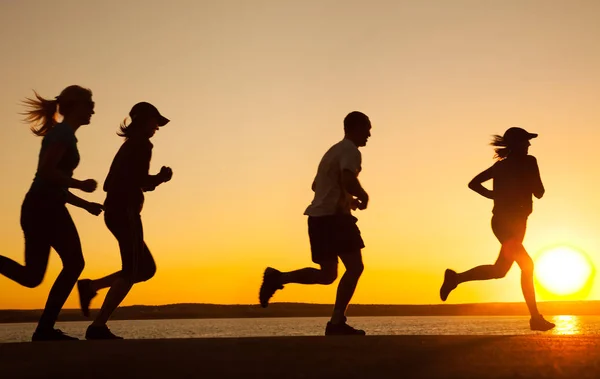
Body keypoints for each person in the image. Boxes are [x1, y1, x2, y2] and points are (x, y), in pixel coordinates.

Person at [0, 85, 103, 341]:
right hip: (44, 209)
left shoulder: (65, 134)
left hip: (43, 206)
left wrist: (85, 204)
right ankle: (44, 329)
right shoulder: (63, 135)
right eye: (88, 104)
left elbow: (54, 183)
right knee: (74, 263)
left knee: (33, 277)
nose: (93, 109)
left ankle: (44, 329)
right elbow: (46, 173)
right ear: (75, 107)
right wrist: (80, 184)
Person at [259, 111, 371, 335]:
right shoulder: (350, 150)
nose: (369, 135)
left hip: (318, 218)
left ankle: (278, 277)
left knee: (328, 275)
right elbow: (348, 180)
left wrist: (347, 200)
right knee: (355, 267)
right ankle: (336, 323)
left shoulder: (333, 151)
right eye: (367, 129)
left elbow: (316, 186)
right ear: (355, 128)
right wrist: (363, 196)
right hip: (335, 219)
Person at [440, 127, 555, 331]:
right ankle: (535, 318)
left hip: (511, 223)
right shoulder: (528, 162)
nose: (529, 145)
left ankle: (456, 278)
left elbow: (474, 184)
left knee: (500, 270)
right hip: (506, 223)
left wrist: (494, 195)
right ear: (517, 144)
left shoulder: (500, 166)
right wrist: (499, 194)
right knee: (527, 266)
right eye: (526, 142)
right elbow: (539, 192)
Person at [77, 102, 172, 340]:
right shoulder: (142, 145)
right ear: (143, 121)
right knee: (132, 270)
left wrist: (146, 182)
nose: (157, 128)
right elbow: (137, 180)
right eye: (154, 122)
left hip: (118, 211)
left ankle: (91, 287)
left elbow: (112, 183)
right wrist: (160, 178)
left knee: (145, 268)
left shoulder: (129, 146)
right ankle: (98, 326)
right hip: (125, 212)